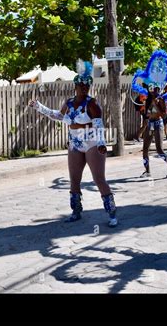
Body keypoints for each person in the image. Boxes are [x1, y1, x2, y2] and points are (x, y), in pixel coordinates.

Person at [29, 61, 118, 227]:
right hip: (76, 145)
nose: (85, 88)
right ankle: (76, 212)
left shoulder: (92, 103)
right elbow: (58, 116)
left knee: (99, 179)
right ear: (75, 85)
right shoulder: (69, 103)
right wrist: (39, 107)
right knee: (74, 180)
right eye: (82, 85)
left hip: (92, 144)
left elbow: (99, 124)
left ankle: (112, 213)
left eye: (87, 85)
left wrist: (100, 143)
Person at [140, 84, 167, 178]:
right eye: (152, 90)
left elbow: (164, 116)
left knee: (159, 150)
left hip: (158, 124)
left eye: (155, 90)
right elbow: (146, 114)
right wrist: (148, 108)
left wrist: (156, 105)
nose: (154, 91)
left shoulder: (161, 100)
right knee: (145, 149)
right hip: (150, 124)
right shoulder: (148, 100)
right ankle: (147, 171)